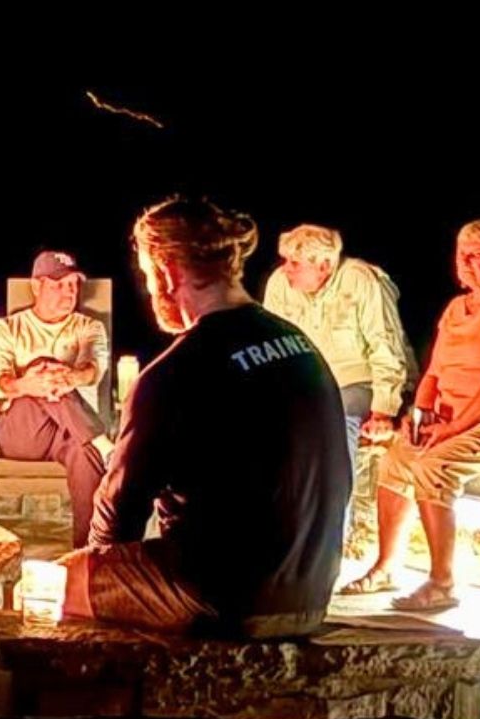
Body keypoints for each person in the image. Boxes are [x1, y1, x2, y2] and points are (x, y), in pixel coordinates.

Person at [60, 197, 348, 637]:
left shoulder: (175, 372)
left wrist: (97, 569)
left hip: (226, 598)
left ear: (168, 273)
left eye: (146, 274)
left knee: (56, 582)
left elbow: (118, 511)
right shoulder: (299, 345)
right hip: (311, 595)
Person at [340, 220, 480, 611]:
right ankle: (386, 566)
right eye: (462, 254)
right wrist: (420, 415)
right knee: (396, 461)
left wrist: (453, 428)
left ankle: (442, 582)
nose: (466, 262)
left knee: (435, 466)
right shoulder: (455, 309)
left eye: (477, 255)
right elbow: (433, 372)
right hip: (451, 416)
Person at [0, 250, 112, 546]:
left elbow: (93, 369)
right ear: (36, 286)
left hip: (69, 433)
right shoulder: (6, 328)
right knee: (42, 366)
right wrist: (29, 383)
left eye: (73, 285)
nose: (69, 292)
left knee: (85, 455)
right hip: (22, 432)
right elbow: (0, 383)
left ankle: (88, 551)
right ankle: (104, 445)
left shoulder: (89, 328)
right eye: (59, 285)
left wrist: (70, 377)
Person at [260, 224, 413, 479]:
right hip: (307, 387)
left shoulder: (361, 280)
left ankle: (337, 499)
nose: (286, 268)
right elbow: (271, 346)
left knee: (337, 425)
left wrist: (383, 410)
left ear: (324, 266)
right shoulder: (279, 284)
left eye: (295, 263)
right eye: (285, 260)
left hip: (357, 382)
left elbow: (385, 346)